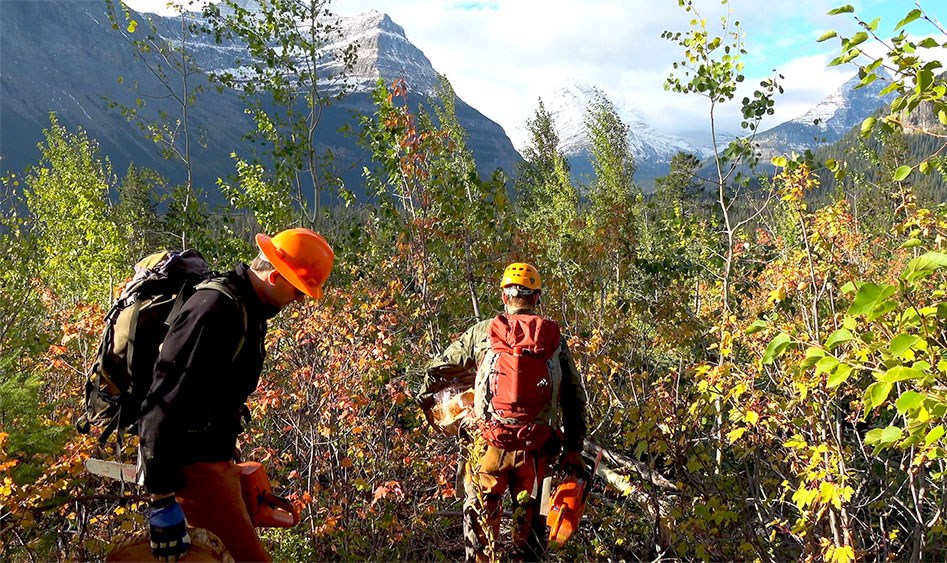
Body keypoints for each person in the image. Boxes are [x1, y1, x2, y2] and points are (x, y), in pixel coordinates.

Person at [138, 228, 334, 562]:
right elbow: (161, 405)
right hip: (193, 472)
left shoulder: (248, 309)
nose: (300, 300)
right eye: (299, 291)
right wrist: (161, 502)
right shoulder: (215, 310)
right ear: (274, 276)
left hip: (214, 462)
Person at [421, 262, 588, 562]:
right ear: (536, 298)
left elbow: (437, 369)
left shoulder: (483, 332)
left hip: (489, 448)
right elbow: (574, 398)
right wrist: (573, 449)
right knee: (533, 539)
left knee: (481, 536)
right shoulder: (554, 340)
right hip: (537, 455)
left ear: (504, 297)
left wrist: (433, 406)